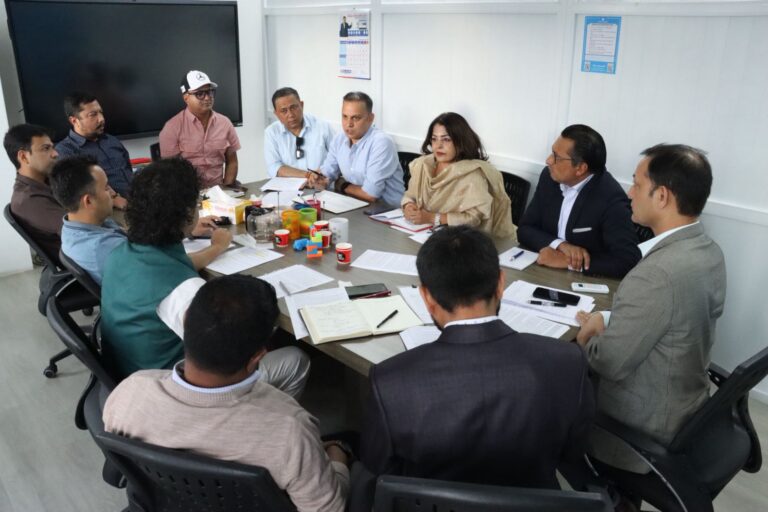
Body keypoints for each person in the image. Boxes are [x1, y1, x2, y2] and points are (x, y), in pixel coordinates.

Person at [358, 226, 594, 508]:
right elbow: (573, 453)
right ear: (500, 283)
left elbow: (380, 467)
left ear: (427, 298)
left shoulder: (390, 382)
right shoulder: (568, 362)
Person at [103, 275, 346, 512]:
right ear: (257, 357)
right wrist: (338, 455)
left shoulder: (130, 392)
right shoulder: (290, 431)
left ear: (185, 322)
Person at [576, 144, 726, 475]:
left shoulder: (656, 274)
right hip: (687, 407)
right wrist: (609, 318)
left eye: (636, 184)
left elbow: (607, 363)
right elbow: (673, 318)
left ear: (661, 197)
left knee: (551, 398)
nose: (629, 193)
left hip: (641, 431)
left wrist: (587, 336)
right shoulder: (708, 251)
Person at [101, 158, 311, 388]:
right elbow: (223, 361)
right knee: (295, 360)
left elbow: (171, 266)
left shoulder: (121, 253)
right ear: (188, 212)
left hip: (128, 370)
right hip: (168, 387)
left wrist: (214, 246)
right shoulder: (188, 293)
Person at [49, 155, 222, 285]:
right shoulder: (105, 248)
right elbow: (173, 265)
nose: (113, 192)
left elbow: (139, 238)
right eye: (106, 187)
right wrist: (217, 247)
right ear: (88, 201)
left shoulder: (76, 226)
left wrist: (182, 229)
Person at [517, 124, 640, 277]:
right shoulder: (549, 177)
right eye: (552, 152)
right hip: (544, 272)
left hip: (588, 281)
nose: (548, 160)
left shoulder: (611, 199)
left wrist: (568, 262)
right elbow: (525, 229)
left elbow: (628, 261)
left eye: (557, 157)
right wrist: (561, 245)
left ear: (581, 168)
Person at [401, 112, 516, 237]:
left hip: (460, 240)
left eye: (446, 139)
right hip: (419, 233)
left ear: (461, 141)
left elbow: (473, 219)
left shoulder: (472, 175)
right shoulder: (423, 165)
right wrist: (408, 206)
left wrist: (432, 218)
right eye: (434, 139)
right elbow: (410, 195)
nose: (438, 146)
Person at [314, 92, 404, 206]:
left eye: (355, 118)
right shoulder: (339, 138)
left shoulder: (381, 142)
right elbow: (327, 173)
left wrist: (342, 185)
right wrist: (320, 179)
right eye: (345, 116)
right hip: (353, 205)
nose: (349, 124)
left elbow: (370, 194)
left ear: (370, 118)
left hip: (386, 210)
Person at [159, 70, 241, 189]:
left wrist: (226, 189)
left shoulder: (225, 123)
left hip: (218, 190)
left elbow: (232, 161)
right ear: (186, 97)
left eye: (210, 92)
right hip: (187, 193)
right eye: (200, 93)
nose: (207, 98)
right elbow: (169, 171)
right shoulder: (172, 127)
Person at [55, 92, 131, 207]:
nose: (101, 119)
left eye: (101, 112)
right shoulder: (66, 151)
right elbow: (80, 189)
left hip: (136, 200)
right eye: (93, 115)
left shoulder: (111, 140)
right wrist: (115, 199)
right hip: (107, 208)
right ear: (74, 120)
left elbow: (128, 170)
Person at [4, 123, 63, 261]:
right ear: (24, 157)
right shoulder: (29, 200)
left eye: (52, 147)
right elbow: (80, 230)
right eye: (46, 148)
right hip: (90, 261)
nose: (55, 154)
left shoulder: (46, 182)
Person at [264, 87, 334, 179]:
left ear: (301, 105)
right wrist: (308, 175)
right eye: (284, 111)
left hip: (320, 184)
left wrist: (322, 175)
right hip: (287, 187)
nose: (290, 115)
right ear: (276, 114)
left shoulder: (323, 127)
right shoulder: (272, 132)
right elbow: (274, 167)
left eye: (293, 107)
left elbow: (337, 159)